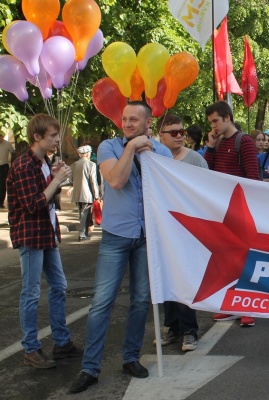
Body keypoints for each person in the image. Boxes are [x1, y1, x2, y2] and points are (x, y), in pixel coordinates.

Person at [70, 101, 172, 393]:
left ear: (148, 123)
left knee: (140, 300)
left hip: (147, 236)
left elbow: (169, 191)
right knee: (102, 302)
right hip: (116, 236)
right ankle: (90, 368)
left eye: (133, 120)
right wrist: (131, 148)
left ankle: (130, 358)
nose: (126, 123)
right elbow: (115, 180)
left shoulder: (162, 152)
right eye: (124, 119)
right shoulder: (109, 147)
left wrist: (149, 154)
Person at [7, 114, 83, 369]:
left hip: (46, 232)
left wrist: (54, 177)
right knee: (31, 293)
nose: (57, 140)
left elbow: (48, 197)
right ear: (37, 137)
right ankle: (31, 349)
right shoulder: (23, 166)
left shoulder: (43, 162)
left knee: (59, 286)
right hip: (30, 235)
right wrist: (57, 180)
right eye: (53, 135)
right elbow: (34, 204)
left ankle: (62, 342)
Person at [204, 101, 259, 327]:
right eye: (211, 123)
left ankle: (248, 307)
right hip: (222, 210)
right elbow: (206, 172)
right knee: (228, 260)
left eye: (216, 121)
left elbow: (253, 178)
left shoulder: (244, 141)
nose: (213, 126)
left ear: (227, 117)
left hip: (240, 211)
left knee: (245, 259)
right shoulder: (218, 142)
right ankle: (233, 305)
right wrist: (210, 147)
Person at [157, 114, 206, 352]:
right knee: (166, 278)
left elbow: (207, 190)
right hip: (163, 227)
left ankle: (189, 330)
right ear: (161, 136)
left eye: (182, 132)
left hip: (188, 228)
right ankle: (173, 327)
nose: (179, 136)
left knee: (184, 280)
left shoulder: (195, 159)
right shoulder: (154, 158)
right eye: (174, 132)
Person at [68, 145, 100, 241]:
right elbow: (93, 181)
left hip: (77, 193)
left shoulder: (73, 165)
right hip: (87, 194)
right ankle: (82, 235)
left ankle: (85, 233)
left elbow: (71, 180)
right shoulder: (91, 165)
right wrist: (97, 195)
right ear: (87, 154)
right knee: (85, 214)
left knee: (81, 214)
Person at [0, 131, 15, 208]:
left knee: (3, 185)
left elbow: (13, 153)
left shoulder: (7, 144)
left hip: (4, 167)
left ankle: (1, 202)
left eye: (1, 136)